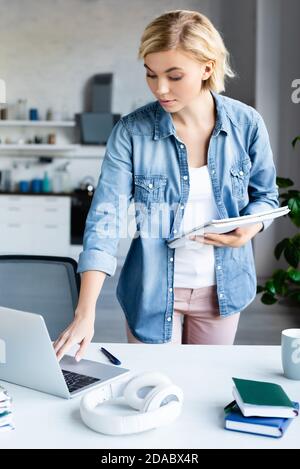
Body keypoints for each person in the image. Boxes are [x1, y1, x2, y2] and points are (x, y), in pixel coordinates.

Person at [54, 9, 278, 361]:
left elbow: (266, 196)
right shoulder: (131, 132)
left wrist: (251, 225)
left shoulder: (247, 124)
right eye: (151, 74)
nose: (160, 88)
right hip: (152, 291)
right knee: (156, 391)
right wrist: (85, 311)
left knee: (204, 389)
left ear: (207, 68)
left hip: (223, 290)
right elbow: (106, 220)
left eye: (174, 76)